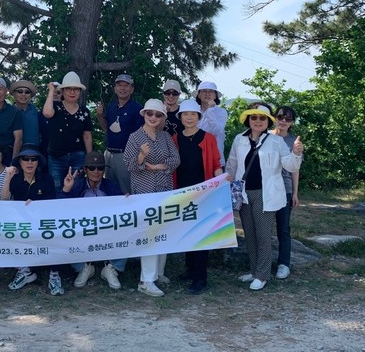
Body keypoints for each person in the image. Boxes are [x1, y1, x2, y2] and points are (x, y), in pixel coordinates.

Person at [226, 102, 303, 291]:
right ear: (248, 119)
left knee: (262, 235)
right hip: (244, 194)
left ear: (268, 121)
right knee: (250, 234)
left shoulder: (276, 141)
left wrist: (295, 153)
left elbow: (290, 166)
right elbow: (232, 163)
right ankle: (254, 271)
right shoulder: (239, 139)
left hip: (265, 194)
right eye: (254, 117)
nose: (258, 121)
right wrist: (226, 182)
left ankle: (262, 275)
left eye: (262, 118)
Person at [123, 99, 181, 297]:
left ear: (162, 117)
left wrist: (158, 166)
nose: (153, 117)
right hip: (144, 190)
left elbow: (176, 159)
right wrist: (141, 155)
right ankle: (146, 280)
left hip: (163, 189)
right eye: (150, 113)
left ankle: (158, 273)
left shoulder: (165, 136)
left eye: (158, 114)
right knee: (150, 234)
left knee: (162, 231)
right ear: (144, 115)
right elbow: (129, 164)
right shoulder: (135, 137)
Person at [172, 100, 223, 294]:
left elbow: (216, 163)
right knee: (187, 231)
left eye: (193, 114)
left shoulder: (208, 138)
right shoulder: (175, 138)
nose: (189, 117)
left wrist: (220, 182)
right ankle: (190, 270)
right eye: (185, 114)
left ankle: (200, 278)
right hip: (182, 192)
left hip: (204, 192)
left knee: (201, 233)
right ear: (180, 117)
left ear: (199, 117)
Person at [60, 151, 126, 290]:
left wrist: (126, 201)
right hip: (82, 230)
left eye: (100, 168)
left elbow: (123, 209)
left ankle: (111, 268)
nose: (96, 171)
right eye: (92, 168)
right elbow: (60, 209)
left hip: (107, 229)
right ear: (85, 170)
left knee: (127, 231)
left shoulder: (112, 186)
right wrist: (66, 189)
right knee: (65, 233)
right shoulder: (76, 185)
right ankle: (84, 267)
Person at [0, 147, 61, 295]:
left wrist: (36, 206)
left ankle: (54, 275)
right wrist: (8, 177)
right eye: (25, 159)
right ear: (20, 162)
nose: (29, 162)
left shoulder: (47, 179)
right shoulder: (15, 179)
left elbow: (51, 204)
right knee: (3, 235)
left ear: (38, 162)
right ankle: (24, 271)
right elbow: (4, 200)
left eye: (33, 159)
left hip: (42, 222)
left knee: (55, 236)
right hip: (21, 223)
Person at [43, 71, 93, 192]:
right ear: (63, 91)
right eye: (68, 89)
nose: (72, 92)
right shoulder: (56, 107)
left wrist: (89, 157)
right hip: (56, 157)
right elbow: (47, 113)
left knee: (77, 188)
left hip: (78, 156)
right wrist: (51, 91)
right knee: (57, 188)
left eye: (76, 89)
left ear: (80, 92)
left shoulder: (84, 111)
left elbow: (87, 135)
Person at [95, 73, 144, 195]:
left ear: (131, 89)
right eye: (119, 85)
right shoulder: (112, 106)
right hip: (109, 154)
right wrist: (99, 116)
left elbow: (140, 135)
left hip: (125, 155)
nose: (122, 88)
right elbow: (107, 128)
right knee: (110, 190)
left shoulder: (137, 109)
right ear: (115, 88)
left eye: (126, 85)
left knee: (126, 191)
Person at [272, 105, 301, 280]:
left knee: (283, 228)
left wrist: (295, 192)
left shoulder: (293, 142)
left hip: (285, 188)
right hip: (266, 188)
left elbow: (295, 169)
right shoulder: (265, 136)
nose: (283, 121)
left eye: (288, 118)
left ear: (292, 122)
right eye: (280, 117)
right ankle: (261, 263)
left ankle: (284, 264)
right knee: (262, 228)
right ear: (275, 117)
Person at [193, 81, 228, 166]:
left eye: (211, 91)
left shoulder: (221, 112)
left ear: (215, 95)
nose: (207, 94)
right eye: (204, 91)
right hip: (196, 159)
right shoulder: (193, 111)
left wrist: (210, 110)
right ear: (198, 94)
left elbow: (216, 130)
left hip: (216, 161)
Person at [10, 80, 40, 149]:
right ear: (14, 94)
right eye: (20, 91)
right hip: (15, 150)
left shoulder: (34, 109)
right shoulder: (9, 112)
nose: (23, 94)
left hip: (35, 150)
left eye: (27, 92)